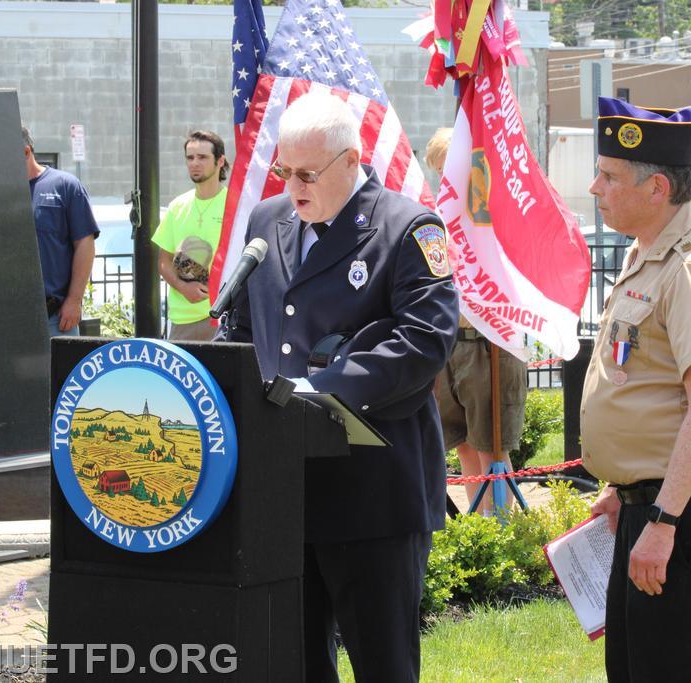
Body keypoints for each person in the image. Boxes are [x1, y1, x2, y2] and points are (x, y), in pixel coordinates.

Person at [226, 92, 458, 682]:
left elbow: (425, 340)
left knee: (382, 663)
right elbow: (247, 329)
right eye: (284, 170)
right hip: (283, 488)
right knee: (295, 663)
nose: (293, 185)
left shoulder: (407, 228)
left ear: (352, 160)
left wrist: (319, 388)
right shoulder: (267, 220)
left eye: (308, 174)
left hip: (370, 490)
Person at [580, 97, 691, 682]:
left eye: (609, 176)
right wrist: (628, 491)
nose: (594, 188)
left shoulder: (689, 267)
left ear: (657, 188)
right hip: (659, 504)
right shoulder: (649, 257)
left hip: (689, 516)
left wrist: (661, 521)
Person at [424, 128, 528, 515]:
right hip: (454, 340)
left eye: (448, 168)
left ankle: (501, 528)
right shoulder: (443, 216)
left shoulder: (489, 214)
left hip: (490, 341)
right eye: (438, 171)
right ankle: (478, 525)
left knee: (491, 447)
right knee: (463, 443)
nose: (443, 179)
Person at [152, 130, 229, 341]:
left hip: (224, 317)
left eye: (202, 157)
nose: (195, 163)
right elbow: (163, 262)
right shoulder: (177, 206)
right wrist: (183, 287)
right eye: (190, 157)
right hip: (182, 321)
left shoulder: (234, 205)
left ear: (220, 161)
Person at [23, 126, 98, 337]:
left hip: (54, 317)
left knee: (59, 371)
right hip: (8, 317)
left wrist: (74, 300)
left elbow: (85, 244)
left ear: (26, 152)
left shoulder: (65, 186)